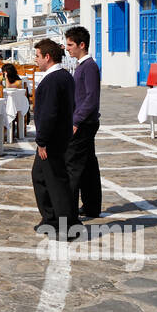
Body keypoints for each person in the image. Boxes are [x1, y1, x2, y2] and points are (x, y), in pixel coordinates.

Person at [29, 39, 78, 238]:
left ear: (47, 57)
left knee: (57, 183)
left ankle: (68, 226)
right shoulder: (64, 76)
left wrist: (42, 141)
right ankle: (50, 218)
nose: (36, 60)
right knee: (39, 177)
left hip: (52, 140)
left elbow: (49, 114)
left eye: (38, 56)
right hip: (59, 136)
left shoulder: (53, 80)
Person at [64, 26, 102, 219]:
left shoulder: (89, 67)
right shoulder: (83, 66)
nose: (67, 48)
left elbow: (91, 98)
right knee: (88, 166)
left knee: (73, 166)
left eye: (70, 44)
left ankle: (68, 211)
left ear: (82, 45)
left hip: (84, 123)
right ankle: (91, 206)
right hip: (86, 121)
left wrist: (76, 120)